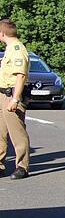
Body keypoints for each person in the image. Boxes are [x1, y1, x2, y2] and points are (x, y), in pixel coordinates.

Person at [0, 18, 31, 179]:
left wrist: (15, 99)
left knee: (17, 133)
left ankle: (22, 166)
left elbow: (20, 76)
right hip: (2, 94)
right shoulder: (9, 49)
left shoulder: (18, 49)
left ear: (2, 33)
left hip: (11, 95)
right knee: (1, 132)